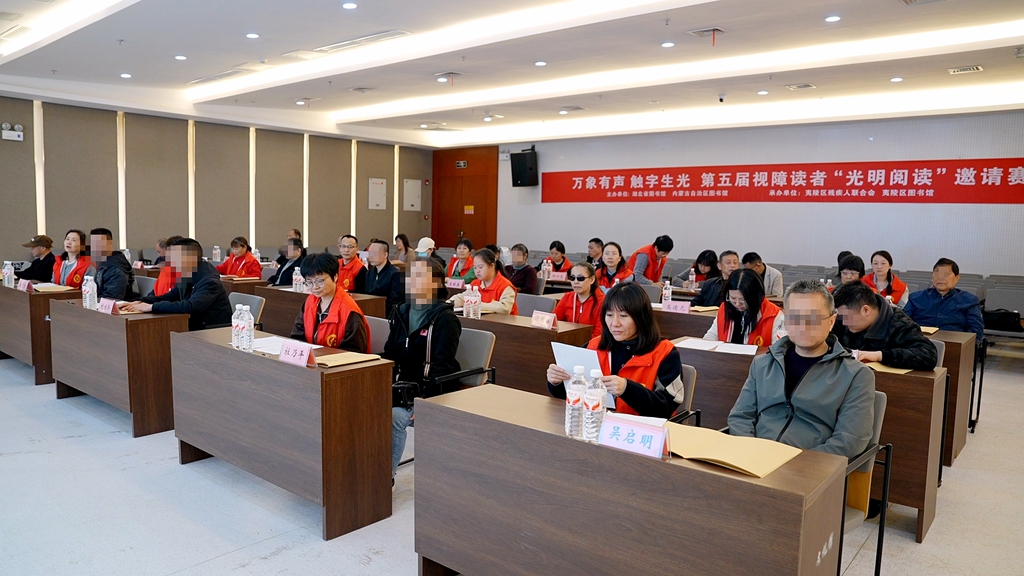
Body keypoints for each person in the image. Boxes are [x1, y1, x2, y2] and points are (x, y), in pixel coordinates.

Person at [727, 279, 875, 459]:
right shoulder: (763, 364)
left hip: (809, 466)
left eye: (813, 318)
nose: (803, 326)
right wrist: (750, 452)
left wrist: (799, 464)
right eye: (795, 317)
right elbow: (740, 417)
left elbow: (850, 439)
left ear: (831, 321)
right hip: (753, 458)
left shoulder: (856, 375)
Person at [546, 283, 686, 418]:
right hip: (596, 423)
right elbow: (569, 395)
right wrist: (556, 381)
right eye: (609, 315)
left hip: (642, 428)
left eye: (623, 316)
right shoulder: (594, 346)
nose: (614, 323)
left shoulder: (665, 352)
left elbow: (666, 407)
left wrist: (627, 389)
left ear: (641, 317)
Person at [385, 259, 462, 487]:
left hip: (429, 390)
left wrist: (426, 402)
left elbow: (442, 366)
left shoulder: (445, 319)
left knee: (394, 418)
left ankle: (385, 479)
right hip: (402, 387)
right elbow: (390, 355)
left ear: (436, 283)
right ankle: (365, 470)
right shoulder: (401, 311)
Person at [120, 238, 232, 330]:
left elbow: (190, 306)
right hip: (192, 324)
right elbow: (171, 296)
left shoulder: (209, 281)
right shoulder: (188, 273)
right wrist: (141, 301)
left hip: (211, 330)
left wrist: (152, 307)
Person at [831, 281, 937, 371]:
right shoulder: (843, 319)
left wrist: (880, 355)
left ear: (866, 310)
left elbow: (928, 355)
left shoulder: (900, 324)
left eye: (846, 317)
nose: (844, 322)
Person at [289, 252, 370, 352]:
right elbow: (298, 335)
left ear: (335, 277)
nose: (315, 287)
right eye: (309, 282)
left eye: (320, 281)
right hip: (313, 358)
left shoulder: (348, 310)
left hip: (337, 360)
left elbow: (355, 351)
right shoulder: (310, 301)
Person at [903, 259, 984, 340]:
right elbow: (903, 323)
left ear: (956, 278)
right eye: (937, 274)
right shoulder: (915, 298)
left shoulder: (969, 300)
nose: (941, 278)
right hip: (920, 342)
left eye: (946, 274)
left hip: (954, 342)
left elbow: (976, 330)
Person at [703, 269, 785, 346]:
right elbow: (712, 335)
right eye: (733, 298)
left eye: (743, 299)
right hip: (727, 355)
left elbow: (779, 348)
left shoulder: (774, 315)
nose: (737, 304)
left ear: (756, 296)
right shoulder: (725, 308)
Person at [448, 248, 518, 315]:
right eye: (475, 267)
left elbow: (505, 308)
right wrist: (448, 303)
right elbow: (462, 297)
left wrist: (477, 304)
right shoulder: (475, 283)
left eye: (480, 267)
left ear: (491, 266)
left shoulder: (505, 286)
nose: (477, 271)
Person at [552, 262, 604, 339]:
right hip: (568, 340)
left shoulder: (602, 301)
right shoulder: (567, 297)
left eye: (580, 278)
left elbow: (599, 334)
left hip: (590, 343)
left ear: (592, 279)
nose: (575, 282)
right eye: (572, 278)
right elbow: (553, 322)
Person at [90, 228, 137, 300]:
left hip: (122, 304)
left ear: (110, 243)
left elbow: (112, 297)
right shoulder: (105, 261)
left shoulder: (115, 267)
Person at [363, 238, 404, 316]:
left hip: (388, 314)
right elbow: (366, 294)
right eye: (369, 253)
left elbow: (395, 300)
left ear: (385, 255)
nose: (371, 256)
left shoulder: (396, 273)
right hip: (371, 311)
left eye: (375, 253)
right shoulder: (369, 273)